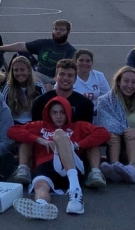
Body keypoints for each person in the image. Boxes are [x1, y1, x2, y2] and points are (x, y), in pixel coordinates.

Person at [8, 97, 109, 219]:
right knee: (40, 185)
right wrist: (39, 139)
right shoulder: (40, 126)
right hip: (46, 166)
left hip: (72, 165)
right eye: (54, 112)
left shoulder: (78, 126)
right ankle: (41, 205)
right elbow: (12, 131)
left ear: (68, 113)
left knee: (61, 134)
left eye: (62, 112)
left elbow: (104, 133)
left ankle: (76, 192)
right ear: (49, 114)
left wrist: (78, 144)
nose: (59, 116)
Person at [17, 59, 101, 189]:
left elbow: (88, 132)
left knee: (93, 140)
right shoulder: (41, 101)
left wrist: (77, 144)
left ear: (75, 78)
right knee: (26, 137)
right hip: (47, 147)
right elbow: (34, 129)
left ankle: (94, 172)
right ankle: (24, 168)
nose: (65, 78)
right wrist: (41, 140)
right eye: (62, 74)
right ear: (56, 76)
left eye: (70, 75)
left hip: (74, 147)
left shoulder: (85, 104)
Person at [96, 66, 135, 184]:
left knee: (129, 132)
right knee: (114, 132)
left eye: (134, 82)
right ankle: (114, 166)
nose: (130, 85)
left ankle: (133, 168)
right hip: (115, 141)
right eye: (126, 81)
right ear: (118, 82)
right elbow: (104, 121)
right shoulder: (107, 100)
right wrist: (108, 133)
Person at [0, 19, 76, 82]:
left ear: (68, 32)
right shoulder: (45, 43)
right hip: (39, 74)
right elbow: (22, 46)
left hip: (55, 78)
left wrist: (52, 83)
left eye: (61, 30)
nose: (58, 31)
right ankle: (10, 83)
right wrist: (0, 47)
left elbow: (67, 72)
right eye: (56, 29)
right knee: (20, 54)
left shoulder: (71, 51)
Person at [3, 56, 44, 124]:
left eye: (22, 69)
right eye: (16, 70)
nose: (19, 73)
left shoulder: (39, 87)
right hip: (14, 124)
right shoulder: (8, 88)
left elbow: (43, 110)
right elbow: (3, 110)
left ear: (29, 71)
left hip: (34, 123)